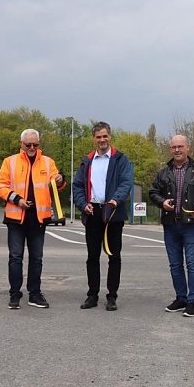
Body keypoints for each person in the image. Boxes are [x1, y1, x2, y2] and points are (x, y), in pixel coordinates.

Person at [0, 129, 67, 310]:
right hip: (16, 218)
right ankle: (14, 294)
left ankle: (34, 293)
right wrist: (17, 199)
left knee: (36, 258)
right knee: (15, 257)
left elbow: (57, 185)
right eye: (28, 144)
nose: (32, 147)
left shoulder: (48, 162)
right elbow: (0, 187)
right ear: (21, 144)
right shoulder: (9, 162)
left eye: (35, 144)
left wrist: (60, 180)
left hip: (38, 218)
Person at [149, 135, 194, 317]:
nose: (177, 150)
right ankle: (181, 298)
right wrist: (162, 202)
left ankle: (193, 301)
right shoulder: (164, 172)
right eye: (173, 147)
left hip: (191, 225)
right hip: (170, 225)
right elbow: (153, 192)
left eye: (180, 147)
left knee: (193, 263)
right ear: (170, 149)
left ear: (188, 148)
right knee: (175, 264)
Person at [72, 122, 134, 311]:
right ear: (94, 139)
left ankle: (112, 296)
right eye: (98, 137)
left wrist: (115, 200)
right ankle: (92, 294)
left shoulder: (120, 159)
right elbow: (77, 186)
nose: (102, 140)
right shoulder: (87, 160)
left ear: (110, 136)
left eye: (105, 136)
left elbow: (126, 182)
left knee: (114, 255)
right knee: (92, 256)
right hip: (93, 212)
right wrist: (83, 204)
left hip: (113, 211)